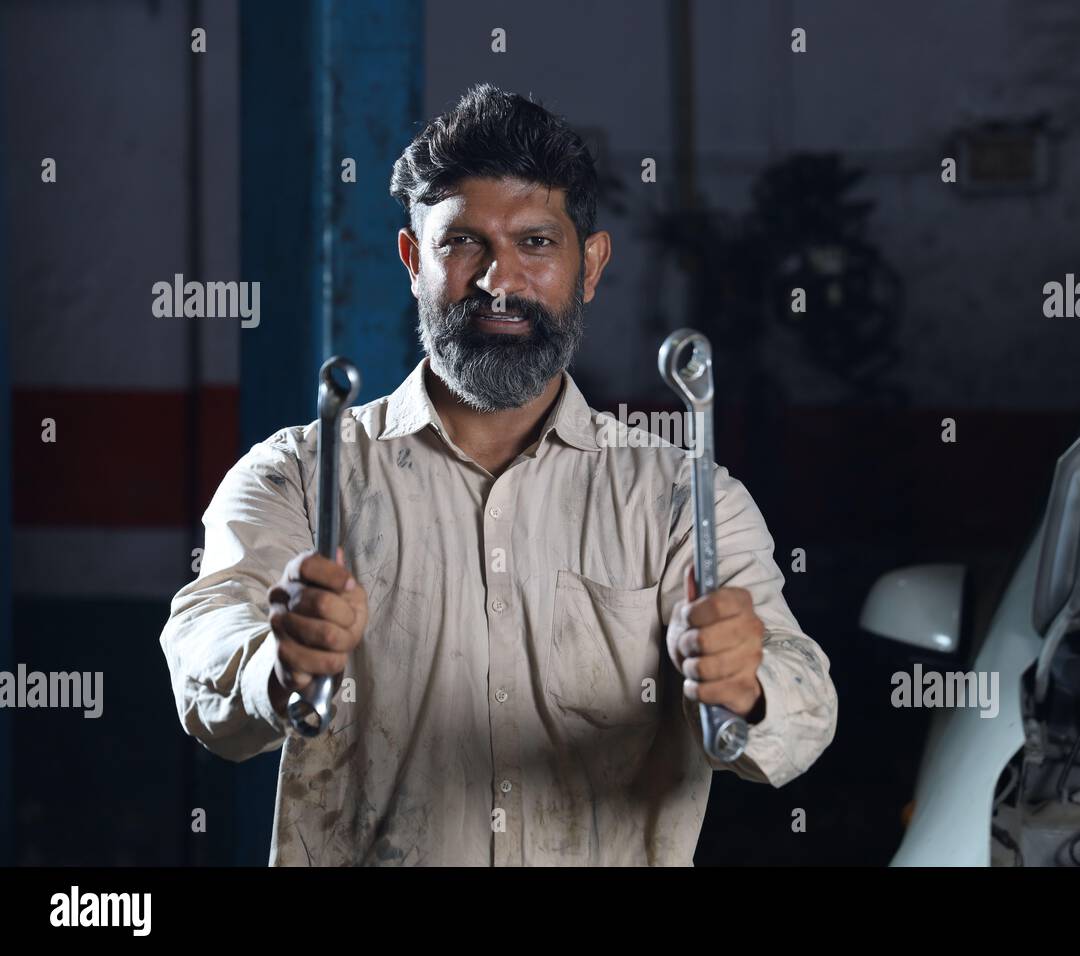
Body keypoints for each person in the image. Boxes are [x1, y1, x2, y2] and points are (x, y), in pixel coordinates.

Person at [159, 83, 837, 866]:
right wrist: (277, 664)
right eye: (463, 244)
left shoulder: (685, 501)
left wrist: (745, 682)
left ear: (591, 264)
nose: (499, 282)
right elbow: (205, 654)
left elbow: (805, 709)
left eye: (537, 244)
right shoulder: (299, 478)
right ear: (414, 259)